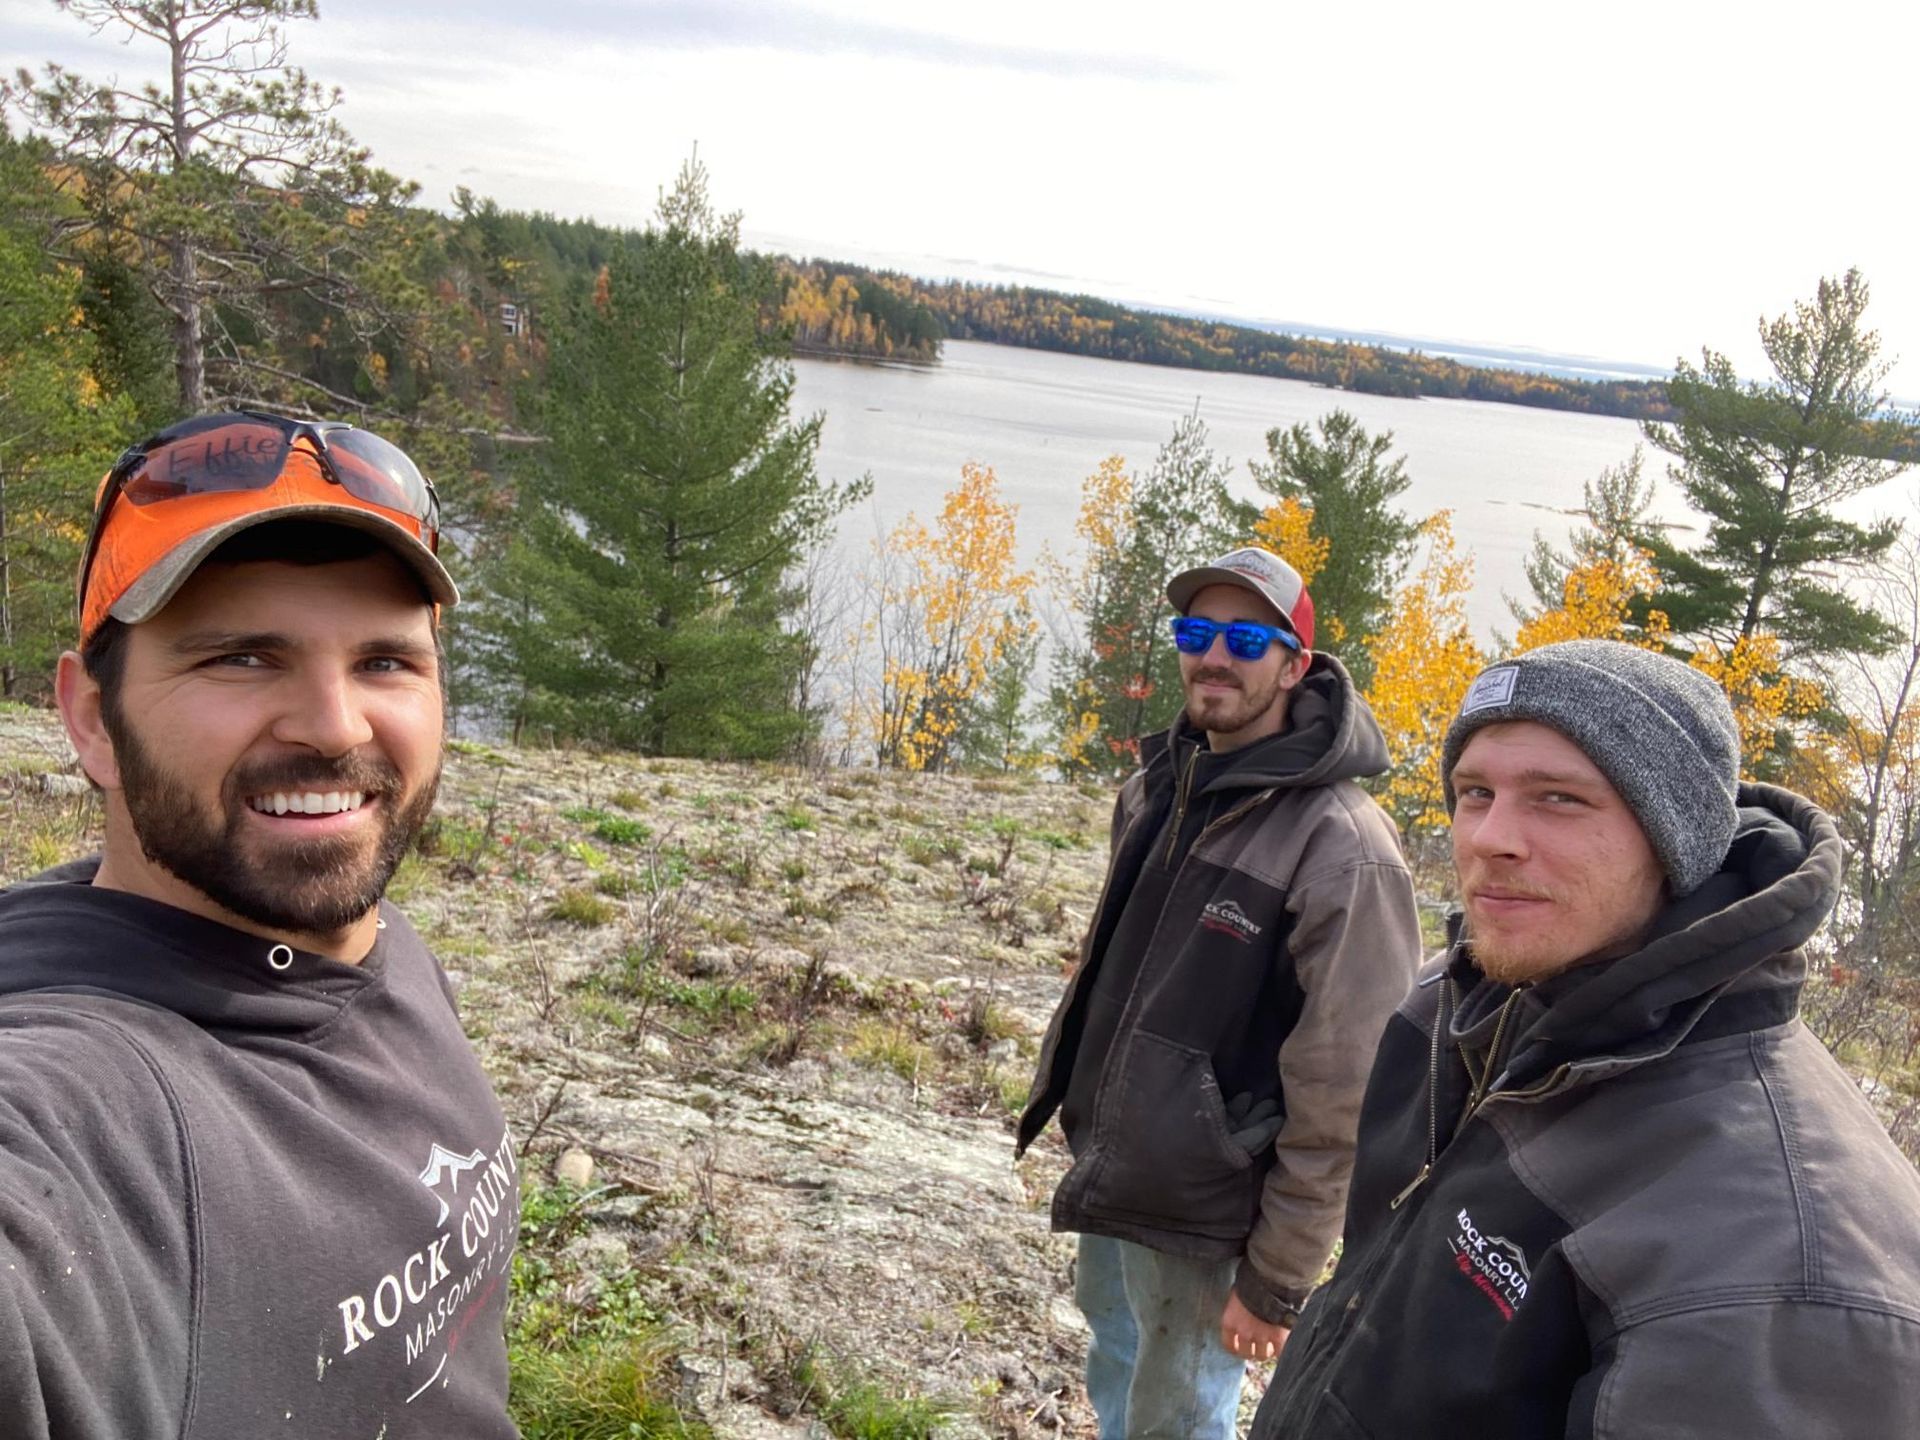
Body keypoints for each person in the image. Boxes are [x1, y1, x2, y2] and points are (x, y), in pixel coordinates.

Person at [1252, 639, 1920, 1438]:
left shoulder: (1787, 1263)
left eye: (1558, 798)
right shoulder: (1460, 1007)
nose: (1490, 838)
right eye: (1474, 792)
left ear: (1679, 841)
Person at [0, 412, 518, 1437]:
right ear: (94, 719)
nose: (333, 726)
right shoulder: (89, 1103)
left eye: (385, 662)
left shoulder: (375, 943)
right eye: (241, 659)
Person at [1017, 546, 1424, 1438]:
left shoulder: (1341, 845)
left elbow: (1351, 1082)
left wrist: (1279, 1276)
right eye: (1197, 632)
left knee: (1180, 1418)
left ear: (1295, 664)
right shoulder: (1160, 786)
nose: (1214, 657)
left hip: (1215, 1208)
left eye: (1246, 637)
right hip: (1126, 1168)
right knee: (1120, 1371)